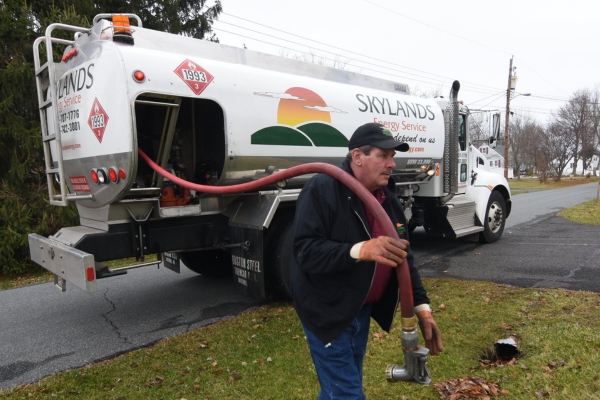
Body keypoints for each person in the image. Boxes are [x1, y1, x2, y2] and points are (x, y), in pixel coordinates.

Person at [290, 122, 443, 399]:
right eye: (383, 156)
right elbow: (305, 251)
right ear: (358, 157)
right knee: (347, 393)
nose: (392, 164)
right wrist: (362, 250)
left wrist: (423, 309)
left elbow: (404, 259)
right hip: (328, 309)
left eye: (393, 156)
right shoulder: (323, 189)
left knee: (340, 388)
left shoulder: (389, 201)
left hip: (359, 310)